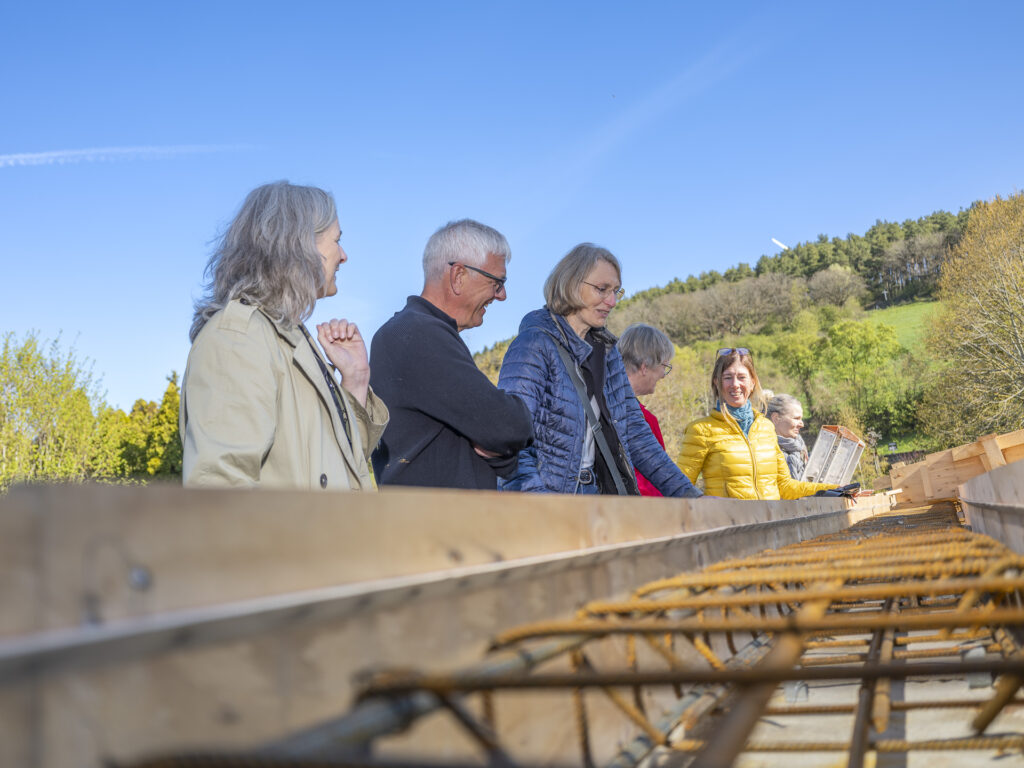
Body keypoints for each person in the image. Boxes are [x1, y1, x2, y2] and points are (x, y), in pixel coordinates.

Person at [180, 181, 388, 490]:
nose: (344, 256)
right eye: (336, 241)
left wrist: (356, 380)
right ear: (299, 245)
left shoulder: (289, 338)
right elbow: (220, 492)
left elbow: (341, 467)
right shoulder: (239, 338)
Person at [497, 244, 701, 497]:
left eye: (616, 291)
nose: (612, 301)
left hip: (596, 495)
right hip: (547, 501)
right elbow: (510, 436)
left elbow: (637, 436)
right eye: (602, 289)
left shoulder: (608, 354)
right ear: (571, 284)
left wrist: (692, 496)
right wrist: (537, 500)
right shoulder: (533, 345)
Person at [369, 219, 534, 489]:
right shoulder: (417, 334)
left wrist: (500, 448)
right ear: (458, 276)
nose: (502, 295)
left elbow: (502, 442)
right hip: (437, 526)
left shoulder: (419, 332)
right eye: (497, 282)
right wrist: (501, 438)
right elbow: (511, 426)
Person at [677, 349, 834, 499]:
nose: (735, 384)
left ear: (752, 382)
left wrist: (834, 489)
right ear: (717, 382)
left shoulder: (766, 428)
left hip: (771, 523)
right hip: (730, 524)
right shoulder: (701, 430)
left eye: (742, 377)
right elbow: (680, 487)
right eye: (727, 377)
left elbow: (785, 487)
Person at [619, 323, 675, 497]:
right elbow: (655, 482)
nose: (663, 375)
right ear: (645, 367)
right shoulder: (644, 420)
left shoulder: (595, 401)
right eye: (664, 367)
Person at [766, 392, 809, 480]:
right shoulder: (763, 451)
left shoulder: (800, 446)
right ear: (776, 418)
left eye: (801, 419)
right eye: (796, 418)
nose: (802, 424)